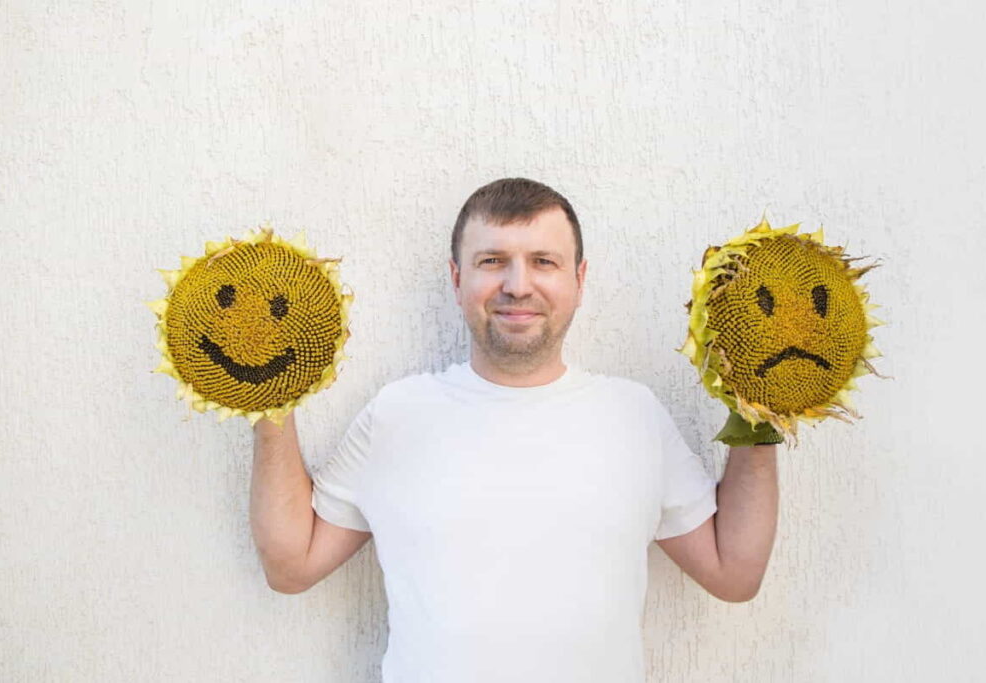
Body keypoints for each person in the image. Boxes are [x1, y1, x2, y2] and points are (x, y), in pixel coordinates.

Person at [250, 178, 778, 682]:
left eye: (543, 261)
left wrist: (760, 404)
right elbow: (292, 567)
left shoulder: (634, 414)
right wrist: (268, 393)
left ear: (579, 279)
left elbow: (734, 575)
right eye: (492, 261)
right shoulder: (397, 413)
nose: (518, 285)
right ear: (457, 279)